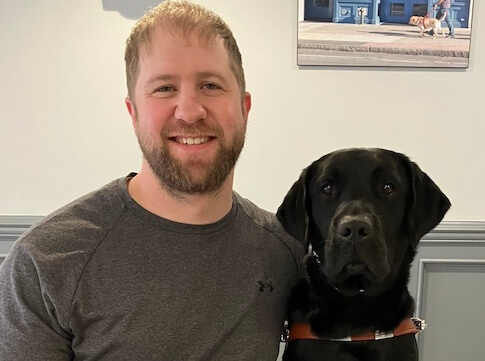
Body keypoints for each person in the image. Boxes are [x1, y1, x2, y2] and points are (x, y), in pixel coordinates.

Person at [0, 1, 303, 360]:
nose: (190, 111)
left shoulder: (287, 252)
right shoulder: (44, 263)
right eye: (164, 88)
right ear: (133, 113)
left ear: (244, 108)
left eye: (210, 84)